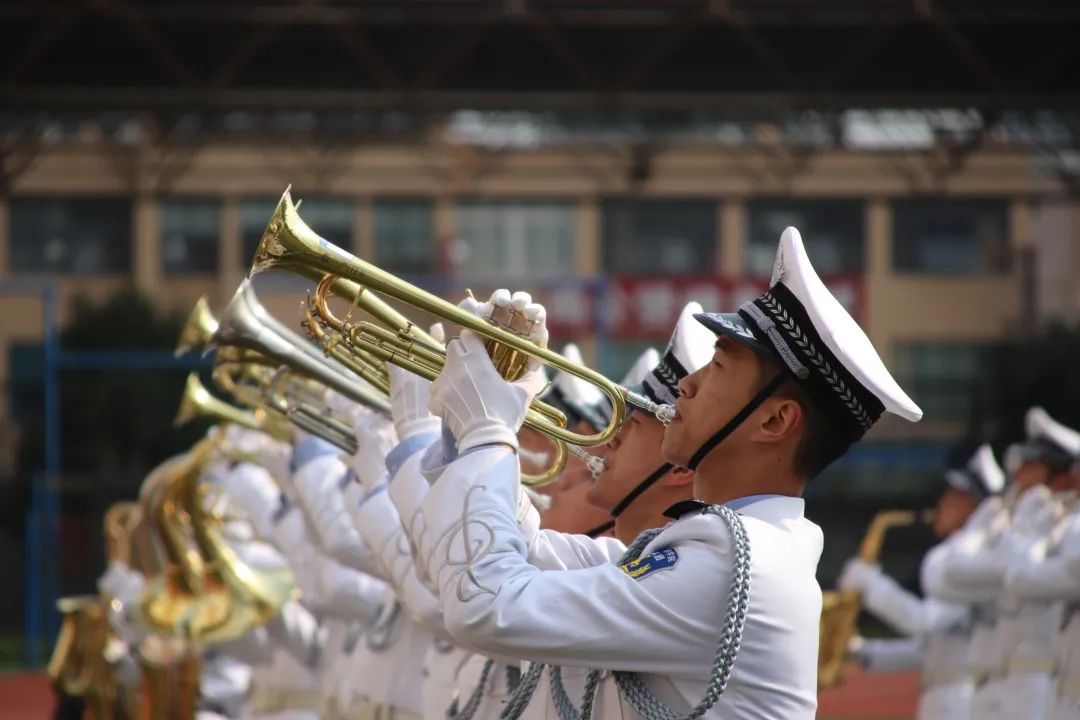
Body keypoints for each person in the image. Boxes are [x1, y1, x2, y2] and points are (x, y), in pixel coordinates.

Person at [412, 227, 922, 719]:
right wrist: (471, 425)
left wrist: (487, 430)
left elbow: (486, 604)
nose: (688, 386)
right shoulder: (716, 548)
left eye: (718, 367)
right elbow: (523, 548)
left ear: (774, 420)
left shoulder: (736, 562)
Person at [841, 444, 1006, 719]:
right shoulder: (966, 561)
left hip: (962, 701)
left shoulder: (972, 562)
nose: (942, 504)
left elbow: (924, 622)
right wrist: (863, 651)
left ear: (974, 505)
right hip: (946, 697)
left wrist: (872, 585)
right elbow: (931, 647)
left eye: (953, 496)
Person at [937, 407, 1080, 720]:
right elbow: (947, 576)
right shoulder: (1041, 524)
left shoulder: (1061, 528)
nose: (1017, 476)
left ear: (1059, 474)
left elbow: (1018, 579)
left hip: (1038, 687)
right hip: (1019, 686)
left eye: (1030, 466)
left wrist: (1028, 527)